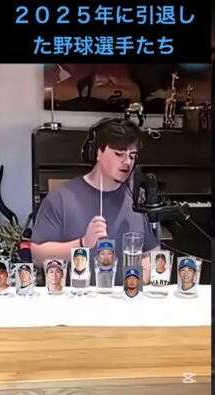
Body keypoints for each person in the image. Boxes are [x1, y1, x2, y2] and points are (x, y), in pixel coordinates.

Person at [30, 118, 160, 285]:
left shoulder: (138, 200)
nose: (127, 162)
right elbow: (37, 256)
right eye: (119, 154)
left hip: (126, 297)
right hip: (77, 298)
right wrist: (82, 243)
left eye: (132, 156)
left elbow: (151, 255)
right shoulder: (60, 199)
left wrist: (140, 279)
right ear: (98, 153)